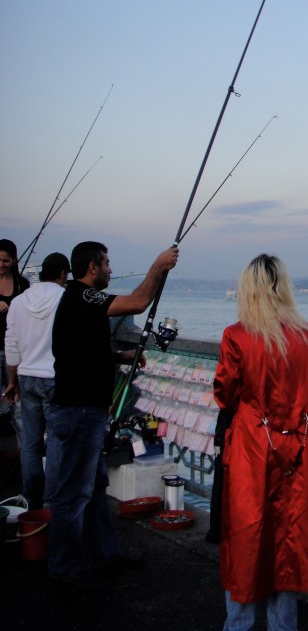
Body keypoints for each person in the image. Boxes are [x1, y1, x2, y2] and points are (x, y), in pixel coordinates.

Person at [213, 253, 308, 631]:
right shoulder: (307, 334)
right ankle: (282, 626)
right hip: (302, 448)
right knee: (288, 536)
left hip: (254, 447)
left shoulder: (236, 336)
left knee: (247, 535)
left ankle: (238, 624)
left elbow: (226, 394)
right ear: (283, 287)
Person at [45, 240, 179, 588]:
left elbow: (81, 348)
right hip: (78, 411)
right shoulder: (84, 295)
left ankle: (104, 554)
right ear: (92, 267)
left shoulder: (75, 301)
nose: (109, 269)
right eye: (106, 263)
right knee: (74, 494)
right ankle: (63, 571)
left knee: (93, 485)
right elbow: (137, 302)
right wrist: (158, 265)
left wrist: (119, 357)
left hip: (82, 410)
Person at [4, 252, 70, 508]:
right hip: (55, 379)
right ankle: (52, 501)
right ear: (64, 274)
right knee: (55, 442)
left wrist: (12, 381)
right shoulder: (64, 299)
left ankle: (31, 497)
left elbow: (11, 344)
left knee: (30, 441)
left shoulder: (19, 302)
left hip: (26, 377)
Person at [0, 239, 30, 426]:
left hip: (16, 349)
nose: (1, 265)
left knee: (19, 404)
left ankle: (24, 451)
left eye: (5, 261)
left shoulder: (22, 284)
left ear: (13, 260)